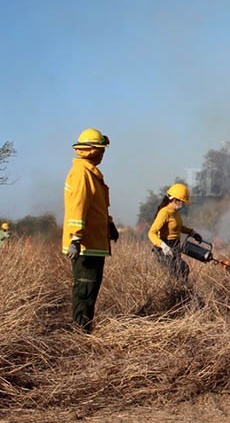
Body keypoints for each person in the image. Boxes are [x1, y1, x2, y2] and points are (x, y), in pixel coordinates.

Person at [63, 128, 119, 333]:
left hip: (94, 242)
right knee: (85, 287)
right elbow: (78, 205)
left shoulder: (91, 173)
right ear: (92, 151)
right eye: (101, 150)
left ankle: (85, 327)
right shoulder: (81, 173)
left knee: (91, 286)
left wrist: (109, 224)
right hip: (85, 244)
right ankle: (80, 332)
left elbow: (98, 207)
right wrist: (75, 237)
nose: (103, 155)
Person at [147, 183, 203, 281]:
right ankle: (176, 293)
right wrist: (163, 246)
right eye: (183, 202)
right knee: (179, 270)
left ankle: (182, 292)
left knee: (183, 270)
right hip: (164, 248)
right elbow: (151, 233)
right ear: (175, 200)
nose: (184, 204)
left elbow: (178, 227)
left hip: (174, 246)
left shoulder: (175, 212)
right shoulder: (165, 212)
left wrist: (192, 233)